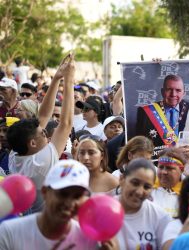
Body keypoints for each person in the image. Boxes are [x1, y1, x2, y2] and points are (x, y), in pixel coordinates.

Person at [7, 53, 75, 213]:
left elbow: (43, 116)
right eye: (43, 134)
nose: (46, 133)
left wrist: (57, 78)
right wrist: (70, 80)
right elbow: (66, 124)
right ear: (32, 143)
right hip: (47, 224)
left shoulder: (14, 155)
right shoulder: (40, 163)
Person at [0, 159, 117, 249]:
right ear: (45, 192)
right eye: (63, 194)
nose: (69, 203)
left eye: (77, 196)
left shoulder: (88, 240)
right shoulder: (9, 231)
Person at [116, 158, 171, 249]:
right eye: (135, 183)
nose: (139, 192)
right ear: (122, 179)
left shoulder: (161, 218)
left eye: (146, 187)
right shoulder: (102, 211)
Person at [136, 74, 189, 146]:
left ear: (184, 93)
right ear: (162, 92)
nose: (173, 94)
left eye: (178, 90)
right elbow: (140, 142)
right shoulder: (146, 112)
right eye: (169, 89)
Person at [152, 147, 188, 217]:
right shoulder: (148, 187)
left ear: (182, 170)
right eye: (161, 167)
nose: (164, 172)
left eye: (169, 168)